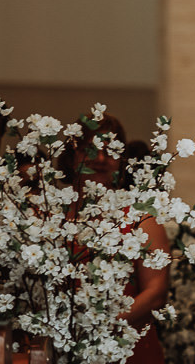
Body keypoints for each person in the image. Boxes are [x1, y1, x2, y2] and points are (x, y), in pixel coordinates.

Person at [70, 115, 168, 364]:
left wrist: (102, 326)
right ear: (74, 155)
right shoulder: (54, 218)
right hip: (66, 346)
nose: (100, 159)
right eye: (91, 149)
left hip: (127, 346)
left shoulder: (141, 217)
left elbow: (156, 292)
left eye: (110, 151)